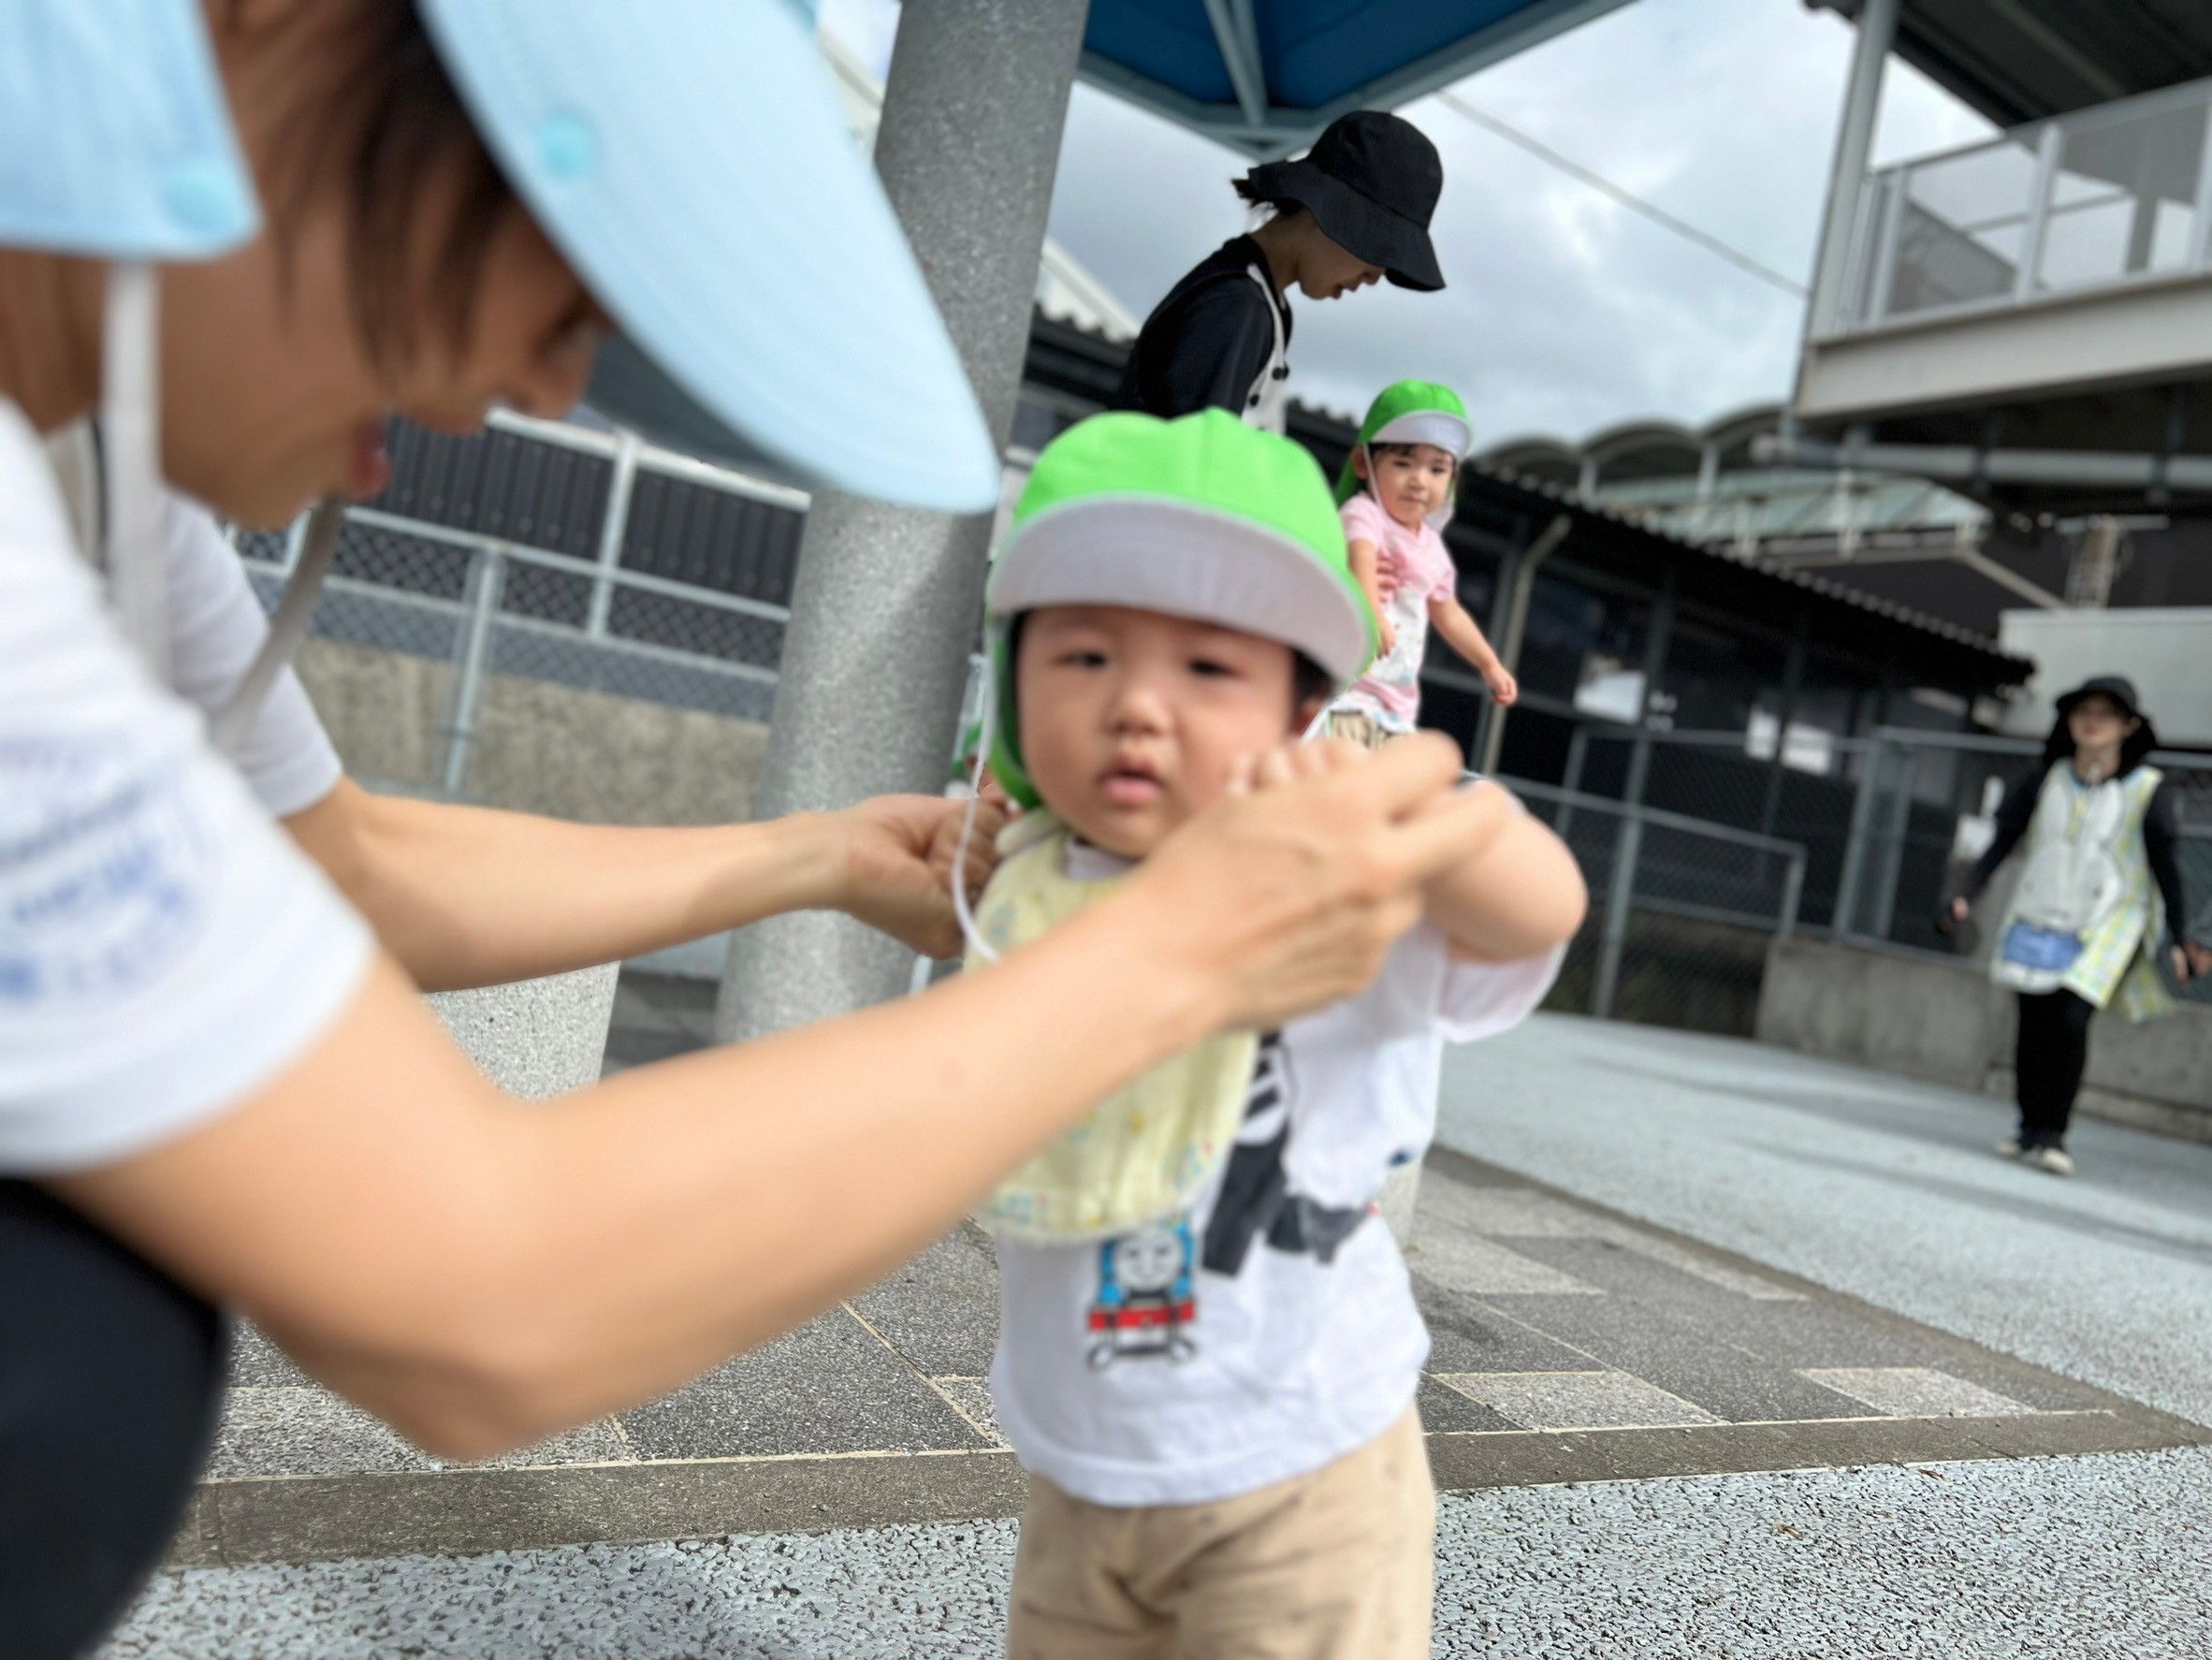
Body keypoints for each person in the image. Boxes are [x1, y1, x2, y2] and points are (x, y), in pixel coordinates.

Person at [0, 7, 1486, 1655]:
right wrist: (1164, 955)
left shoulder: (98, 466)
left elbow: (338, 863)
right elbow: (476, 1288)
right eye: (561, 264)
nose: (541, 384)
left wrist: (817, 858)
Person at [961, 410, 1585, 1658]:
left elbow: (1538, 913)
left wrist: (1437, 824)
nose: (1139, 705)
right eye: (1084, 654)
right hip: (1077, 1468)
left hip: (1306, 1467)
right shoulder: (1021, 873)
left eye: (1209, 668)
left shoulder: (1328, 865)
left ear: (1306, 700)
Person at [1943, 677, 2207, 1175]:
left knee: (2070, 1015)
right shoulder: (2047, 778)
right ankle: (2028, 1127)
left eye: (2106, 714)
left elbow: (2166, 867)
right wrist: (1964, 894)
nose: (2092, 722)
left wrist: (2179, 937)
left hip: (2109, 920)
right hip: (2038, 909)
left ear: (2129, 727)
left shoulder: (2147, 788)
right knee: (2033, 1019)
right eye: (2083, 711)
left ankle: (2053, 1133)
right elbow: (2003, 841)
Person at [1114, 110, 1446, 431]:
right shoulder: (1237, 305)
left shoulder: (1253, 297)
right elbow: (1200, 456)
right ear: (1321, 209)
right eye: (1377, 248)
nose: (1374, 277)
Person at [1324, 379, 1516, 750]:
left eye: (1437, 470)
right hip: (1347, 690)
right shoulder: (1364, 513)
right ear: (1363, 463)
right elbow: (1361, 556)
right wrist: (1370, 612)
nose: (1419, 481)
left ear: (1452, 479)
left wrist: (1489, 663)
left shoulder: (1432, 547)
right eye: (1403, 463)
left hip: (1396, 705)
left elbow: (1449, 612)